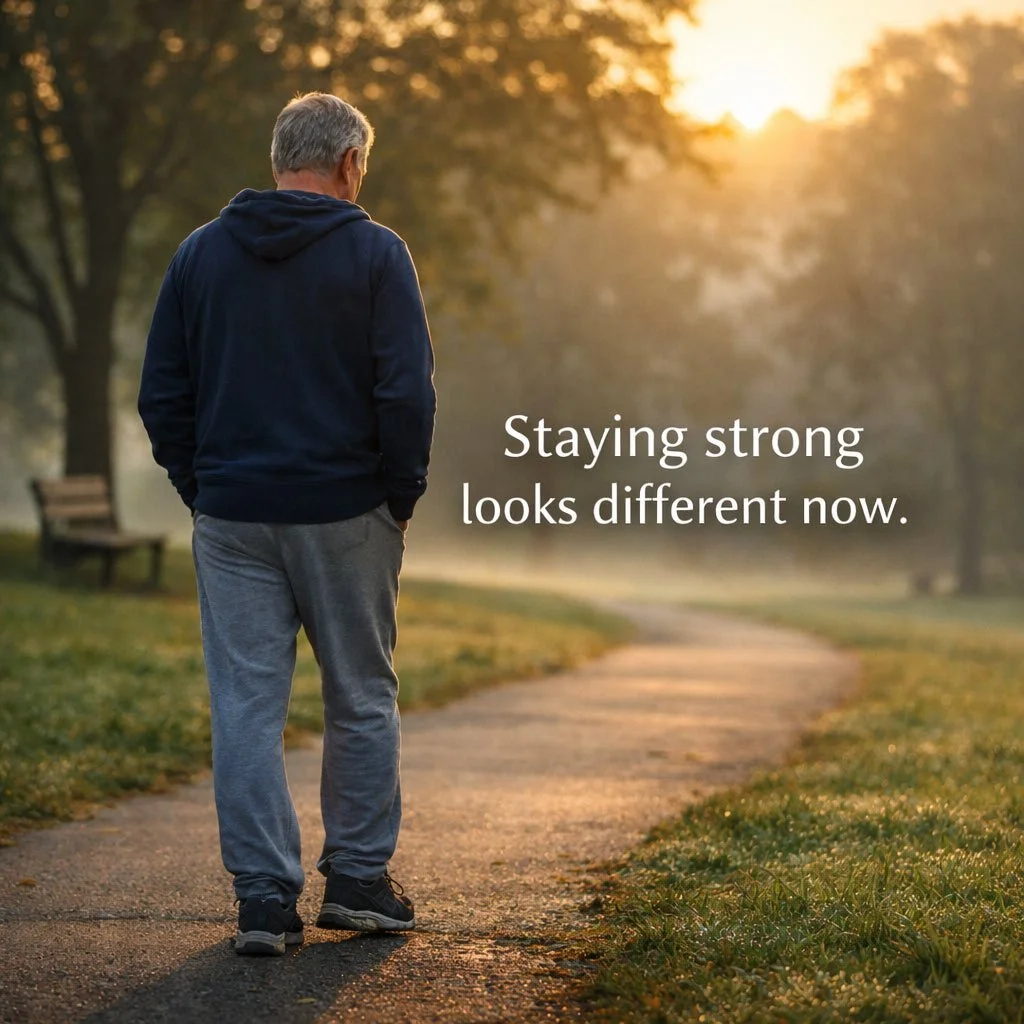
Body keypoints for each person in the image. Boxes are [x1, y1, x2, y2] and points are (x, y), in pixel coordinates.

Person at [138, 92, 436, 956]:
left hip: (234, 514)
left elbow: (163, 393)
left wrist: (204, 488)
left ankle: (265, 900)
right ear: (349, 163)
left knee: (245, 707)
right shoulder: (378, 254)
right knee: (361, 696)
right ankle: (359, 882)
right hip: (347, 509)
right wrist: (399, 495)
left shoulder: (199, 254)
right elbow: (406, 392)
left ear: (280, 159)